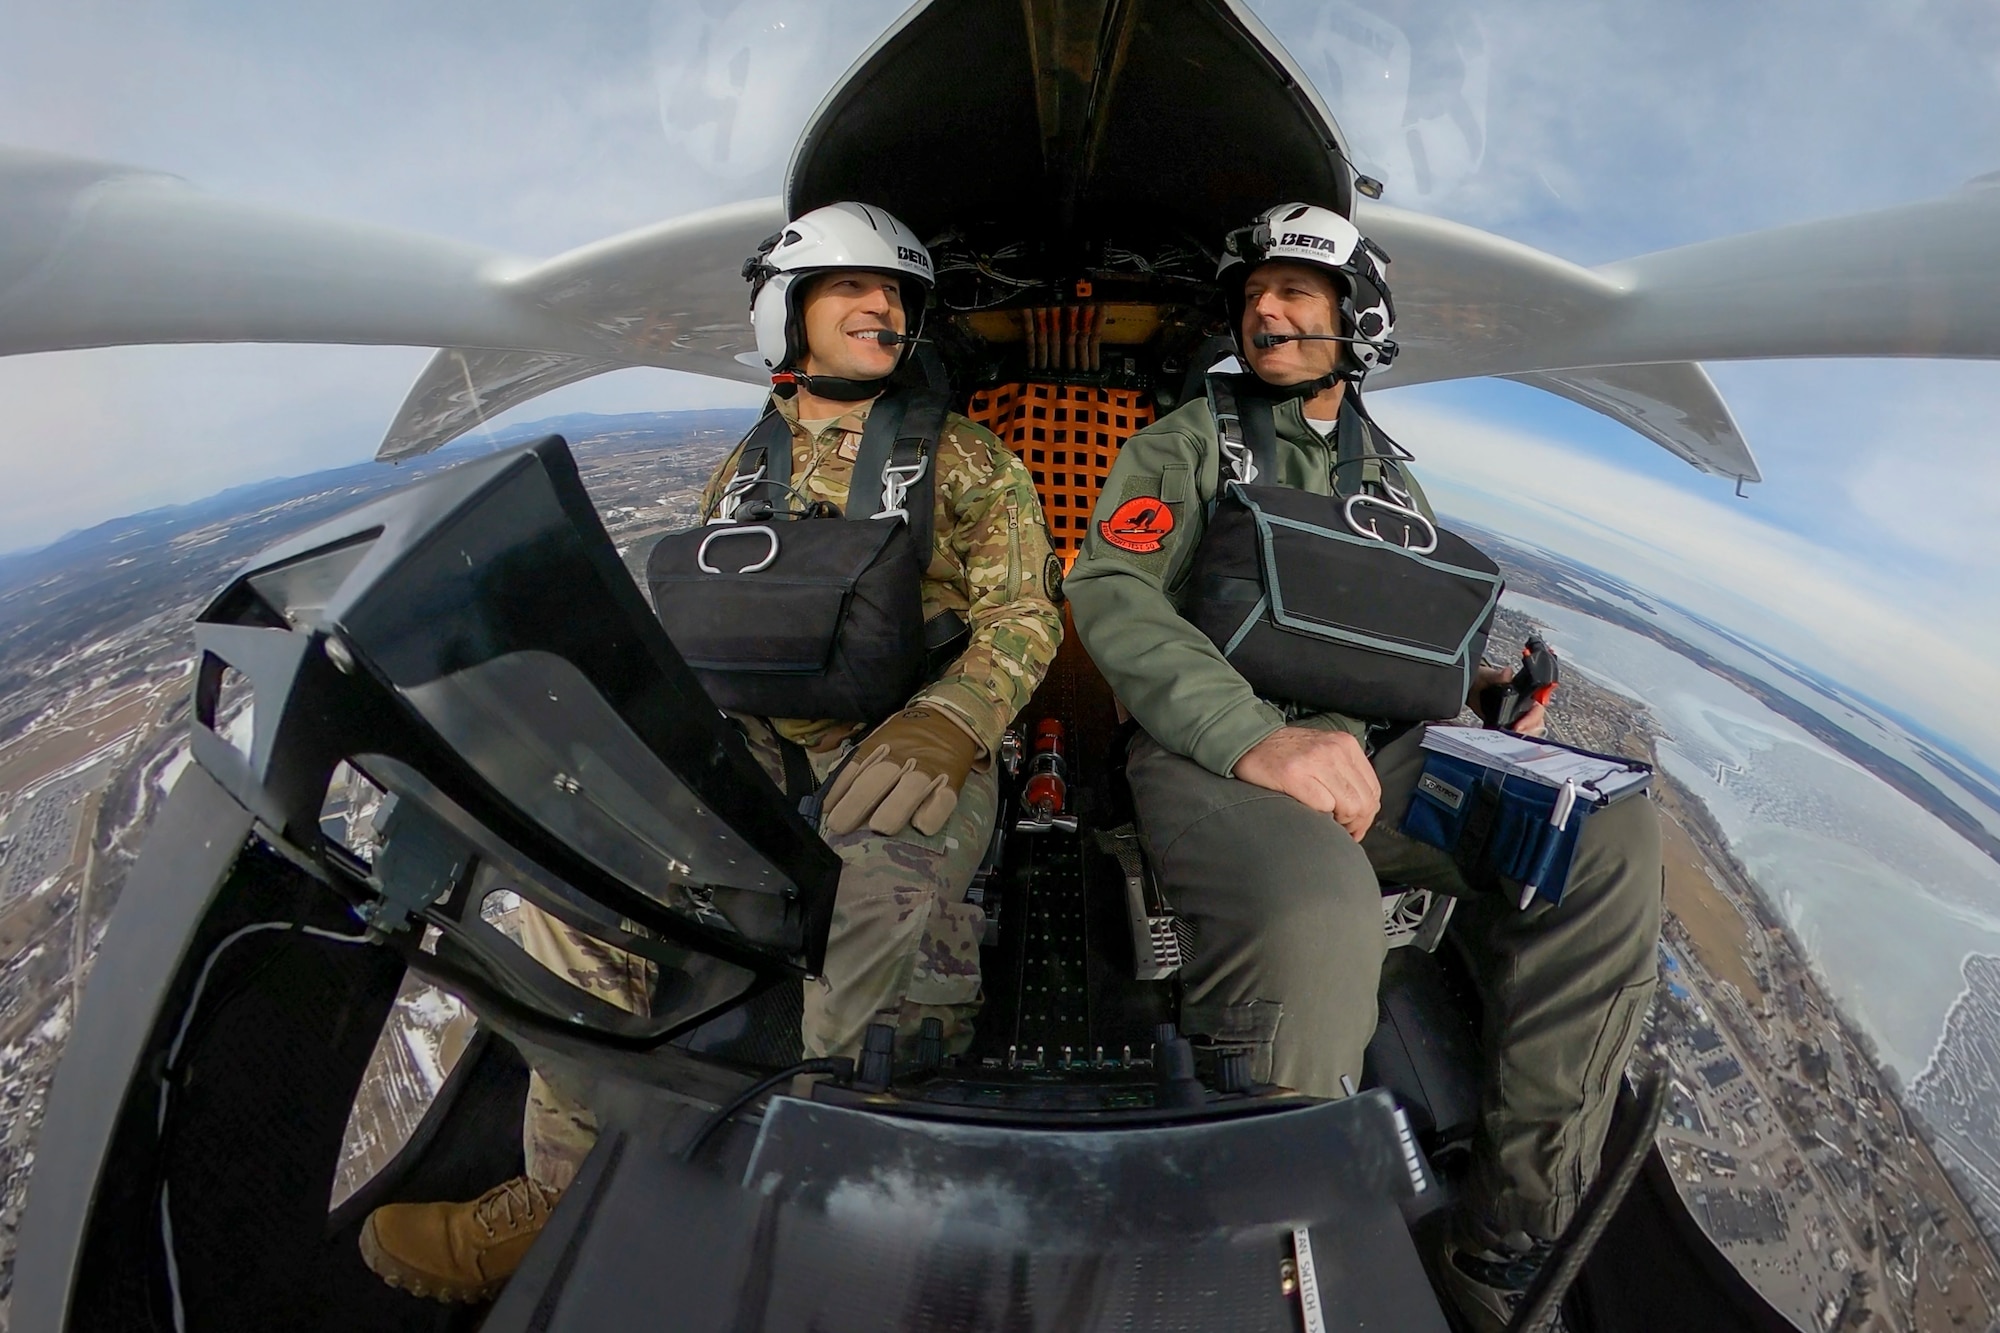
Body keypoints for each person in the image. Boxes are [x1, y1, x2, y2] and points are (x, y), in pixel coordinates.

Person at [359, 201, 1062, 1303]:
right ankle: (558, 1190)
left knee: (877, 905)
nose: (880, 306)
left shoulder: (965, 461)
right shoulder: (741, 468)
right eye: (849, 288)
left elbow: (1024, 613)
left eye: (894, 296)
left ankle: (832, 1228)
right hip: (746, 742)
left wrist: (956, 718)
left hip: (907, 740)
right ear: (787, 314)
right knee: (578, 895)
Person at [1062, 202, 1661, 1333]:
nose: (1266, 312)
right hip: (1219, 748)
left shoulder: (1390, 480)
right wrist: (1253, 735)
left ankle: (1506, 1238)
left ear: (1358, 319)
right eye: (1252, 299)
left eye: (1295, 292)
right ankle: (1251, 1265)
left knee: (1603, 831)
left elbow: (1400, 644)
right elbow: (1110, 591)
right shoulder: (1191, 440)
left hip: (1373, 750)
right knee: (1317, 904)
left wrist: (1482, 706)